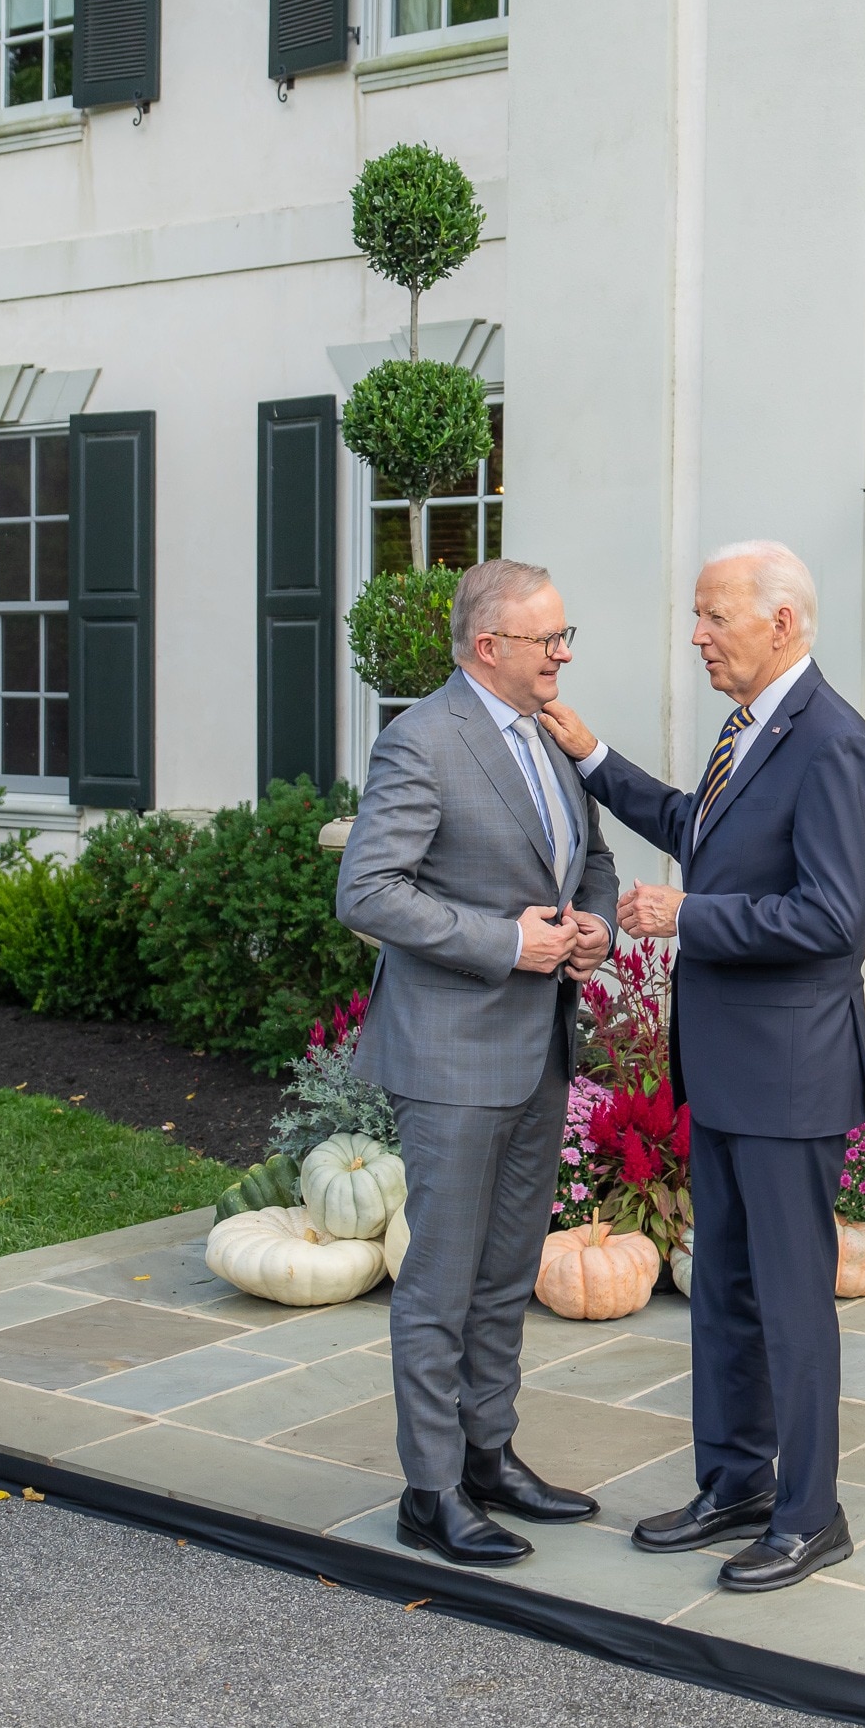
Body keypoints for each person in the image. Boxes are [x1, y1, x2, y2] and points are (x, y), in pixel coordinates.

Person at [539, 540, 865, 1595]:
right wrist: (596, 756)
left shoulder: (835, 745)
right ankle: (735, 1480)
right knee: (726, 1293)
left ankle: (810, 1512)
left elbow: (832, 917)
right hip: (729, 1071)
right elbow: (701, 828)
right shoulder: (750, 730)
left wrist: (690, 913)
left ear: (781, 622)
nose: (696, 635)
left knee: (790, 1300)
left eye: (712, 616)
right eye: (697, 615)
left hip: (788, 1079)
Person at [336, 557, 617, 1568]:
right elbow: (368, 891)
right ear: (488, 646)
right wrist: (509, 941)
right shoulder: (421, 740)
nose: (565, 652)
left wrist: (591, 924)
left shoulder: (550, 732)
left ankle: (491, 1455)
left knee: (506, 1274)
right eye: (550, 638)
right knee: (442, 1281)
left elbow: (590, 854)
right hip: (451, 1054)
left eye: (564, 633)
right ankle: (431, 1488)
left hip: (536, 1045)